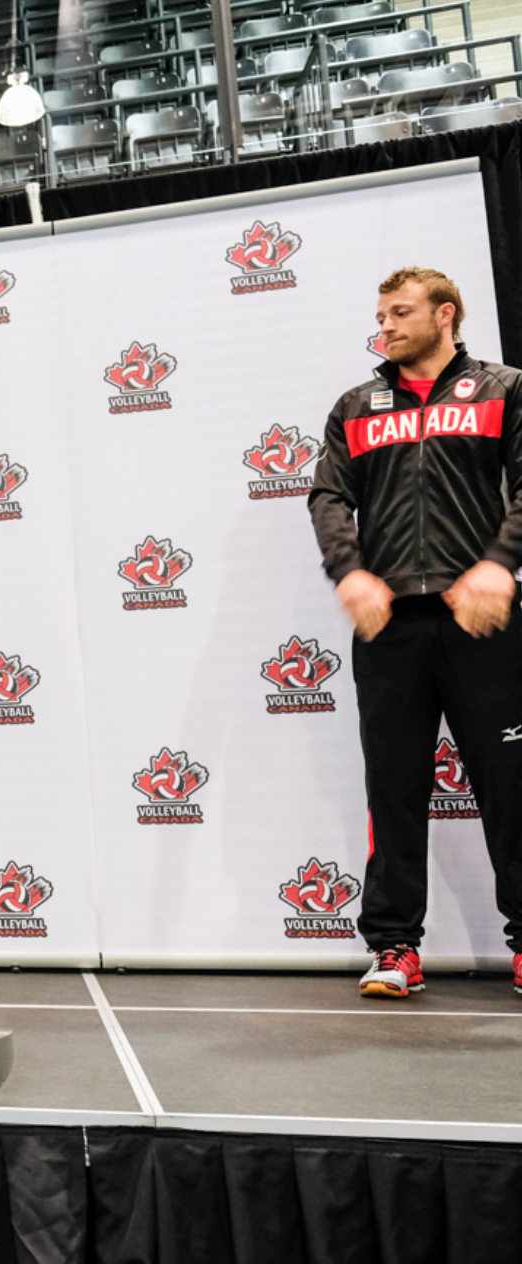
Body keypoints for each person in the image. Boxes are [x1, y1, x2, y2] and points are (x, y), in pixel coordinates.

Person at [309, 266, 522, 1000]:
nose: (386, 326)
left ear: (446, 314)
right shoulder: (355, 405)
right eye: (381, 315)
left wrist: (500, 565)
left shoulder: (504, 389)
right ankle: (395, 948)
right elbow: (329, 496)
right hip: (389, 627)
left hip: (482, 620)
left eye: (401, 313)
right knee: (393, 786)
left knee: (511, 783)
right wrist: (350, 571)